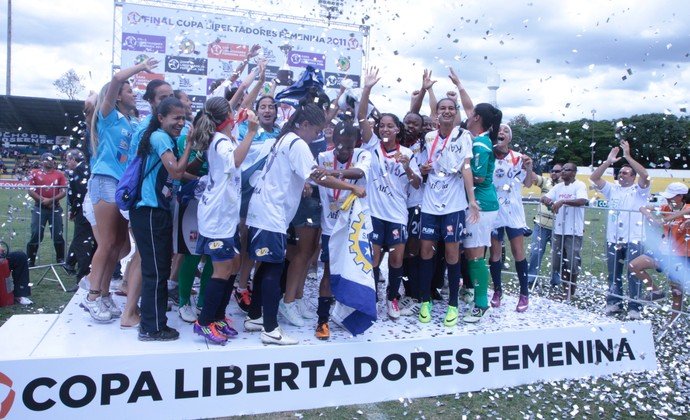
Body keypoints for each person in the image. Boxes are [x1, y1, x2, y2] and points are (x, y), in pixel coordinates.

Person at [244, 103, 365, 346]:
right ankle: (270, 329)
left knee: (266, 267)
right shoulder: (297, 143)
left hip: (265, 210)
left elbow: (300, 173)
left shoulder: (284, 138)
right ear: (306, 125)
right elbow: (317, 176)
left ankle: (256, 316)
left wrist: (308, 179)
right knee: (273, 269)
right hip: (271, 213)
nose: (317, 136)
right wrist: (351, 187)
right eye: (317, 131)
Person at [85, 59, 159, 323]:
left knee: (120, 244)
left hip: (121, 186)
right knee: (107, 243)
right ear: (115, 97)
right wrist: (140, 68)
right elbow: (116, 79)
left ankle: (104, 293)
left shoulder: (129, 122)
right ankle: (93, 295)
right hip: (105, 179)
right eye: (129, 91)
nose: (133, 93)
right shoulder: (106, 116)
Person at [186, 97, 258, 344]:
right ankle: (204, 322)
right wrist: (252, 132)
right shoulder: (220, 142)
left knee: (234, 264)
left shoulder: (226, 136)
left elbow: (241, 102)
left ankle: (217, 316)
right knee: (223, 268)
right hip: (216, 217)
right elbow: (236, 160)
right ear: (226, 117)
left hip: (225, 216)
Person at [357, 67, 422, 320]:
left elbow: (416, 185)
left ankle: (392, 299)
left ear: (397, 130)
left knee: (396, 261)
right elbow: (362, 117)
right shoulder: (371, 145)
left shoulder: (408, 153)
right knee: (372, 259)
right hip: (373, 213)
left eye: (389, 126)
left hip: (397, 215)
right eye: (381, 125)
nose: (384, 129)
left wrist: (407, 168)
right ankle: (370, 298)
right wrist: (368, 88)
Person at [130, 97, 192, 341]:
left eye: (183, 117)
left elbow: (177, 173)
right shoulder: (159, 137)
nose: (181, 122)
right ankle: (151, 327)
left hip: (158, 211)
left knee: (160, 268)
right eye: (176, 118)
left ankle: (154, 323)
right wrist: (190, 146)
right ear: (161, 118)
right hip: (149, 211)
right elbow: (175, 170)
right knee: (155, 270)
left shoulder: (167, 138)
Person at [416, 92, 477, 327]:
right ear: (437, 113)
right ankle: (425, 300)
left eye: (451, 108)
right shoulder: (429, 137)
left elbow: (467, 168)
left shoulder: (463, 136)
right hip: (430, 205)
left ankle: (453, 304)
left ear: (456, 112)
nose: (447, 111)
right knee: (426, 253)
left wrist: (471, 200)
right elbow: (422, 167)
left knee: (453, 255)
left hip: (453, 205)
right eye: (443, 108)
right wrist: (423, 168)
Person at [314, 120, 371, 339]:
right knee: (328, 272)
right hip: (330, 227)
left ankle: (346, 313)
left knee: (355, 271)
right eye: (341, 146)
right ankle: (322, 320)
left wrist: (333, 173)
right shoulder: (322, 158)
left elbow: (357, 173)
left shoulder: (363, 155)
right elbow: (319, 178)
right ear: (333, 141)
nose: (345, 150)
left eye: (350, 146)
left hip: (354, 228)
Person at [590, 140, 650, 319]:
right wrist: (609, 161)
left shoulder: (639, 191)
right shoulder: (612, 190)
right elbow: (594, 178)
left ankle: (635, 307)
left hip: (634, 238)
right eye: (620, 172)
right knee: (614, 273)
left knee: (633, 273)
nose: (621, 174)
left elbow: (645, 174)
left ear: (632, 177)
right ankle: (614, 302)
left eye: (625, 172)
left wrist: (628, 156)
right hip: (614, 238)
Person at [461, 103, 501, 323]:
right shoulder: (481, 138)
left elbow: (479, 177)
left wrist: (454, 169)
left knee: (475, 255)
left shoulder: (480, 144)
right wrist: (458, 85)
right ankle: (477, 298)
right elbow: (469, 108)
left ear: (476, 118)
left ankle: (481, 304)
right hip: (480, 204)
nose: (467, 116)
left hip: (481, 205)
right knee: (471, 253)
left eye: (471, 115)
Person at [489, 124, 534, 312]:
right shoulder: (487, 154)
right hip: (493, 209)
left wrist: (529, 168)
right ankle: (498, 291)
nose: (502, 133)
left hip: (513, 210)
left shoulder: (517, 158)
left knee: (518, 252)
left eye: (506, 131)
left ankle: (524, 293)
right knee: (495, 254)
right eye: (499, 130)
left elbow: (529, 183)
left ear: (510, 138)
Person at [630, 183, 689, 322]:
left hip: (681, 256)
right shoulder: (665, 208)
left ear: (681, 196)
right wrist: (653, 219)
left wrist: (667, 219)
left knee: (676, 292)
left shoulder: (687, 208)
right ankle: (655, 291)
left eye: (672, 197)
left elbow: (685, 213)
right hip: (663, 252)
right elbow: (643, 207)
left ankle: (674, 321)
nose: (668, 200)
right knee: (634, 266)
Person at [540, 162, 588, 300]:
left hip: (573, 231)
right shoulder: (558, 187)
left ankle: (570, 290)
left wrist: (562, 202)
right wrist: (546, 201)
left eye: (567, 170)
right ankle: (565, 289)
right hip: (559, 230)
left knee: (572, 262)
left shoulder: (579, 185)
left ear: (574, 172)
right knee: (558, 262)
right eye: (563, 170)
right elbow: (545, 197)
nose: (563, 172)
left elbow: (582, 200)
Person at [26, 152, 67, 266]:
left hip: (55, 208)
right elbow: (30, 190)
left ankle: (60, 259)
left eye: (53, 159)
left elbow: (63, 191)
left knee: (58, 234)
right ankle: (31, 260)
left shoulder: (60, 174)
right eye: (49, 159)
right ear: (42, 161)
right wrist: (42, 200)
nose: (51, 161)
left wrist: (51, 200)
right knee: (36, 233)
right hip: (39, 208)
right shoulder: (34, 173)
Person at [64, 149, 95, 291]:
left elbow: (77, 194)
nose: (67, 163)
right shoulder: (90, 167)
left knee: (81, 244)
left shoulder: (77, 171)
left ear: (73, 159)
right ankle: (92, 275)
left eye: (67, 160)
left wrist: (74, 211)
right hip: (95, 209)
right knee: (93, 243)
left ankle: (82, 278)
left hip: (84, 211)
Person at [527, 163, 562, 287]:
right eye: (552, 170)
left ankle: (556, 281)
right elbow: (533, 177)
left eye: (557, 171)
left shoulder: (565, 186)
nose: (554, 173)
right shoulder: (546, 181)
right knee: (535, 253)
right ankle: (530, 280)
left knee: (558, 256)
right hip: (541, 225)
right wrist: (528, 166)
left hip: (558, 228)